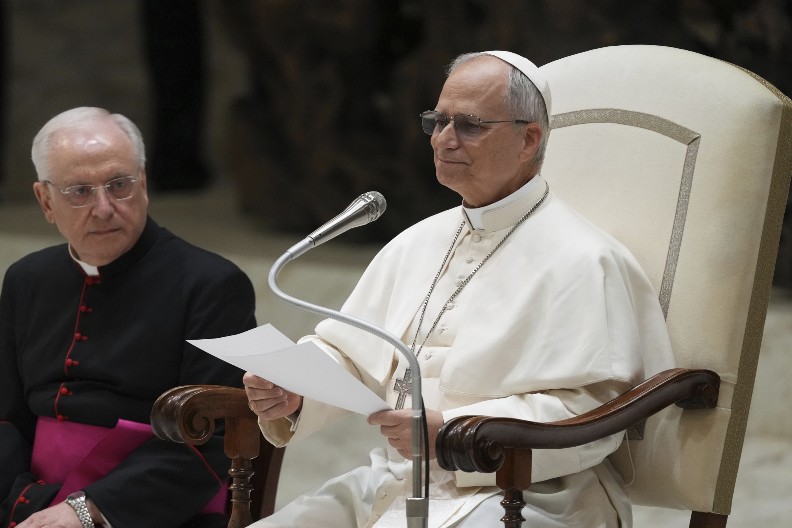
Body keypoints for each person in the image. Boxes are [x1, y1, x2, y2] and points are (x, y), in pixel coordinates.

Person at [243, 51, 675, 527]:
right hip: (400, 481)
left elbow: (590, 411)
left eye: (470, 125)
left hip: (529, 497)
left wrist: (454, 435)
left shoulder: (584, 260)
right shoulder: (418, 241)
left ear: (529, 139)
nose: (444, 140)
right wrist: (294, 391)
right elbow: (351, 353)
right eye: (438, 121)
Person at [0, 107, 256, 528]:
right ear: (46, 201)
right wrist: (21, 502)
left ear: (144, 183)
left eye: (119, 185)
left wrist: (86, 511)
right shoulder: (26, 279)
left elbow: (209, 441)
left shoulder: (211, 285)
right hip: (30, 502)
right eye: (80, 191)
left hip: (151, 510)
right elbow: (7, 417)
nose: (103, 208)